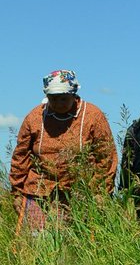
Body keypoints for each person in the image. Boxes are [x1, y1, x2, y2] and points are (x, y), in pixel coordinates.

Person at [10, 70, 117, 233]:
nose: (59, 103)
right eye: (54, 99)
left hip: (80, 190)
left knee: (76, 243)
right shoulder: (34, 118)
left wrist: (100, 190)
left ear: (74, 94)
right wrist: (16, 191)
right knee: (35, 242)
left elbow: (105, 156)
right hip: (38, 188)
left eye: (64, 99)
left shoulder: (93, 116)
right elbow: (21, 156)